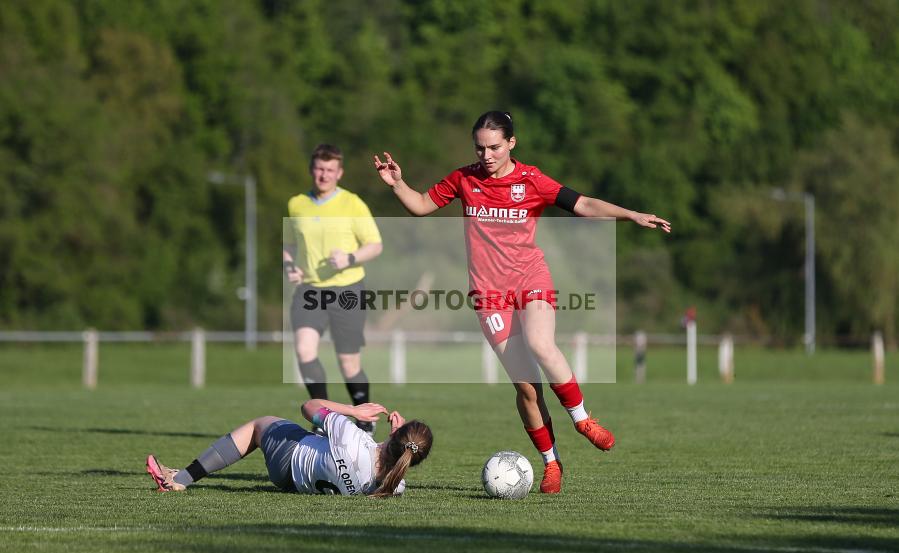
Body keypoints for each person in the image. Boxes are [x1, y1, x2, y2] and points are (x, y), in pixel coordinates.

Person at [373, 111, 670, 494]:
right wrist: (397, 184)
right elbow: (420, 205)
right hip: (488, 295)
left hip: (530, 277)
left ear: (512, 143)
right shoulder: (464, 179)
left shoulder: (531, 180)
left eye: (494, 147)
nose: (486, 155)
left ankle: (582, 419)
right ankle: (551, 463)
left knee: (541, 343)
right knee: (527, 389)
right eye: (480, 147)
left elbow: (583, 205)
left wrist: (631, 215)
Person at [284, 144, 383, 433]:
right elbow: (289, 244)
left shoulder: (353, 203)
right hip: (309, 290)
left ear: (339, 173)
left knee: (348, 362)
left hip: (347, 289)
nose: (323, 175)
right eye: (319, 169)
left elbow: (375, 245)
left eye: (330, 170)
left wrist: (349, 258)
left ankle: (365, 419)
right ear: (311, 170)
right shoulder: (296, 204)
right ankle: (322, 417)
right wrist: (290, 266)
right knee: (304, 351)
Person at [146, 400, 432, 497]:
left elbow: (308, 407)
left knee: (261, 424)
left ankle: (181, 479)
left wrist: (352, 410)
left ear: (396, 438)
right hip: (295, 485)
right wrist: (396, 436)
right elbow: (393, 460)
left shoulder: (352, 438)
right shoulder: (395, 485)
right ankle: (178, 477)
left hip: (289, 459)